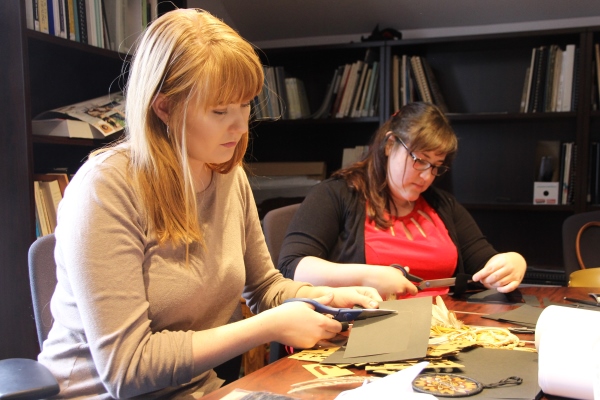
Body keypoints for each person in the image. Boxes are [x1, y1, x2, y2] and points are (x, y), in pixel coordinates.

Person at [38, 9, 382, 399]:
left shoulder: (225, 172)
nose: (240, 127)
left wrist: (326, 299)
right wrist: (269, 326)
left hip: (195, 390)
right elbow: (126, 369)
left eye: (245, 105)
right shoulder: (105, 188)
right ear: (164, 108)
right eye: (220, 111)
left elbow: (264, 286)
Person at [277, 102, 526, 299]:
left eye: (436, 166)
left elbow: (484, 262)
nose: (427, 176)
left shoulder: (442, 205)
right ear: (390, 144)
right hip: (362, 329)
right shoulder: (335, 195)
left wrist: (512, 263)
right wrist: (366, 277)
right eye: (420, 160)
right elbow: (292, 266)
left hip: (444, 329)